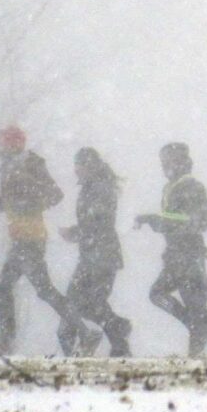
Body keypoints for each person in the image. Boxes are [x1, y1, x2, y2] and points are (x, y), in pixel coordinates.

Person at [135, 141, 207, 358]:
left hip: (187, 254)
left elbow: (204, 219)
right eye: (163, 162)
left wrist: (159, 219)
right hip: (177, 254)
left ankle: (200, 335)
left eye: (168, 162)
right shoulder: (171, 187)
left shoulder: (192, 186)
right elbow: (172, 221)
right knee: (195, 305)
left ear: (181, 163)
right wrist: (154, 221)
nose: (164, 166)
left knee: (167, 296)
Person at [0, 123, 73, 350]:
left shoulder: (31, 163)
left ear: (12, 144)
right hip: (20, 236)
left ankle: (6, 340)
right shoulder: (7, 166)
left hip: (31, 236)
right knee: (23, 288)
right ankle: (83, 330)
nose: (0, 149)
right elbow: (7, 200)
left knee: (15, 287)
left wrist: (28, 202)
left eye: (3, 143)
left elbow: (55, 195)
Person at [59, 146, 133, 356]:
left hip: (102, 254)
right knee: (81, 302)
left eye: (79, 165)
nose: (76, 170)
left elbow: (97, 222)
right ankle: (118, 334)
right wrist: (77, 233)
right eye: (76, 165)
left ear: (89, 165)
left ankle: (116, 339)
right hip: (93, 253)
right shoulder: (93, 187)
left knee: (86, 302)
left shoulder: (99, 188)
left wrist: (74, 232)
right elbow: (94, 222)